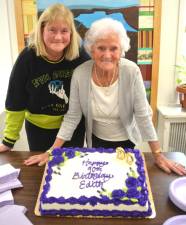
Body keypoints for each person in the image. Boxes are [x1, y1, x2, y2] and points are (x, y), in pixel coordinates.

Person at [24, 18, 186, 176]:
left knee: (122, 184)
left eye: (113, 48)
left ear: (121, 50)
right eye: (101, 48)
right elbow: (72, 117)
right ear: (91, 50)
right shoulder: (80, 74)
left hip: (127, 141)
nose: (107, 55)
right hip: (95, 141)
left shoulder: (132, 71)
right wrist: (51, 151)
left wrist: (157, 154)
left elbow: (143, 116)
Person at [0, 3, 89, 153]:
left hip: (72, 127)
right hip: (38, 129)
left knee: (70, 168)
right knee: (41, 171)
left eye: (64, 31)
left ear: (71, 33)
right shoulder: (27, 58)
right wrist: (9, 140)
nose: (58, 36)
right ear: (41, 30)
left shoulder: (80, 56)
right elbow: (15, 100)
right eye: (52, 30)